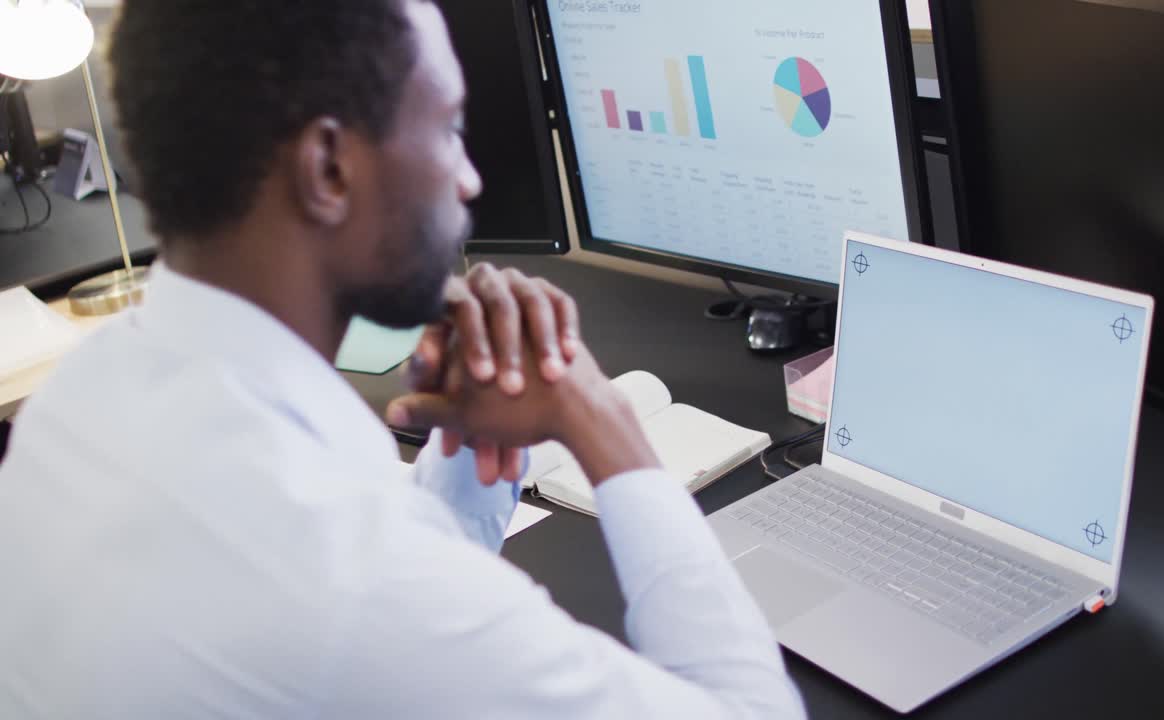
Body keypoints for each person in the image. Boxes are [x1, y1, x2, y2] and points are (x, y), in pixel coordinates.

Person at [0, 1, 805, 718]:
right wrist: (603, 421)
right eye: (449, 129)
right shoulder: (348, 582)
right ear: (329, 169)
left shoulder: (71, 407)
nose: (470, 177)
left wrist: (473, 449)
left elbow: (392, 606)